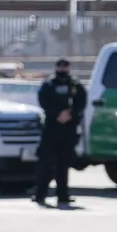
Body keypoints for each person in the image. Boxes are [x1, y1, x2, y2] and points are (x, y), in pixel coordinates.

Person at [33, 58, 86, 209]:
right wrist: (57, 114)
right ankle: (40, 194)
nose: (62, 69)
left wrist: (70, 114)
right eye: (60, 66)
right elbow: (43, 102)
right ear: (56, 67)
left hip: (68, 129)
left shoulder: (75, 85)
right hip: (51, 128)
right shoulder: (49, 84)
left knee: (64, 163)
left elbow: (81, 102)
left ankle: (63, 195)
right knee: (46, 163)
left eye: (65, 66)